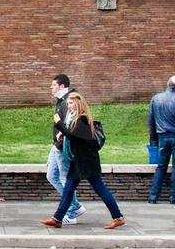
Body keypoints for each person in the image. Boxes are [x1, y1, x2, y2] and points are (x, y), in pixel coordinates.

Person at [41, 92, 125, 230]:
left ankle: (118, 217)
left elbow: (73, 135)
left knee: (100, 189)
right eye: (68, 103)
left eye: (71, 103)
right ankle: (57, 219)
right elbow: (71, 134)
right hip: (78, 160)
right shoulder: (73, 119)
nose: (69, 106)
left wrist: (58, 124)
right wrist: (63, 131)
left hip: (87, 162)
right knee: (68, 190)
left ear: (78, 104)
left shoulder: (83, 119)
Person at [147, 75, 175, 204]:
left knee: (161, 166)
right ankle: (174, 196)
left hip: (162, 137)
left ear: (168, 84)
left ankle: (153, 196)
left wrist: (153, 139)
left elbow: (151, 121)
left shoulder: (156, 99)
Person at [46, 74, 84, 223]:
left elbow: (70, 124)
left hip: (62, 146)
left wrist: (61, 143)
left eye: (53, 85)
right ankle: (75, 205)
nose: (51, 87)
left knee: (63, 178)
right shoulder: (61, 101)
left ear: (62, 86)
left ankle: (72, 211)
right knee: (51, 176)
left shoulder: (68, 101)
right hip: (56, 145)